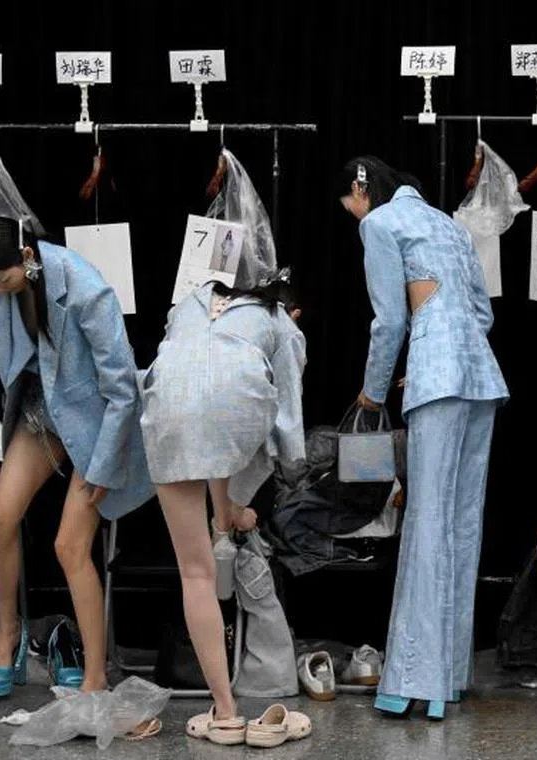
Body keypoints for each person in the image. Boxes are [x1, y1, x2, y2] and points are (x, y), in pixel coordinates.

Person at [140, 149, 308, 745]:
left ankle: (225, 711)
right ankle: (231, 511)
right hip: (231, 416)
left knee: (195, 570)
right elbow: (286, 410)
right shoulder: (278, 320)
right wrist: (290, 464)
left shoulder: (184, 305)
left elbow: (191, 390)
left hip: (167, 413)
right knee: (244, 419)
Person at [337, 155, 508, 721]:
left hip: (436, 376)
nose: (352, 213)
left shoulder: (379, 223)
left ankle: (416, 678)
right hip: (479, 375)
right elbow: (481, 312)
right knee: (462, 521)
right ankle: (450, 675)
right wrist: (441, 349)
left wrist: (372, 393)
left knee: (428, 520)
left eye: (349, 202)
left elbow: (389, 321)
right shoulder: (448, 224)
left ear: (360, 188)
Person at [0, 160, 152, 700]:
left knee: (69, 546)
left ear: (25, 256)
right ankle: (7, 638)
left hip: (97, 423)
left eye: (3, 278)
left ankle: (94, 675)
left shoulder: (86, 289)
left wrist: (103, 468)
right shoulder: (8, 284)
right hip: (44, 412)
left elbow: (123, 391)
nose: (0, 288)